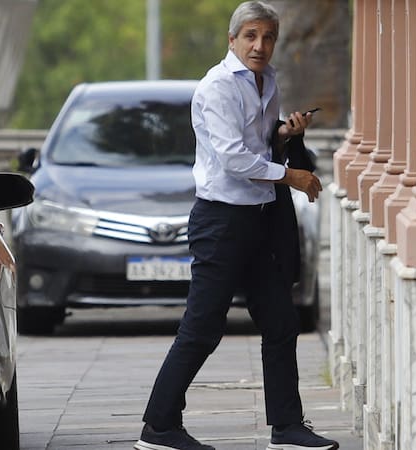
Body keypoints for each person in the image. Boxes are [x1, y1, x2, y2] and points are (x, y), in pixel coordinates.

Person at [134, 2, 339, 450]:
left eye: (268, 37)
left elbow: (257, 144)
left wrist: (283, 135)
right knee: (203, 327)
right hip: (221, 222)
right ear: (232, 40)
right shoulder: (217, 87)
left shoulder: (269, 82)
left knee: (281, 322)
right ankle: (159, 428)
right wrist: (292, 176)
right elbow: (233, 158)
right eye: (250, 36)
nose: (259, 45)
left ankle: (286, 427)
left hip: (259, 220)